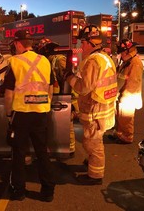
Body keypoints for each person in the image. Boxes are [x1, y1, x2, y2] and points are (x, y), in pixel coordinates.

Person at [3, 30, 55, 202]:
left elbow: (9, 94)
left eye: (14, 45)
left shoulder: (15, 62)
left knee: (18, 153)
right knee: (42, 153)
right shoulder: (45, 61)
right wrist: (45, 105)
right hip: (41, 114)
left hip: (21, 114)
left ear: (18, 44)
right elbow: (51, 87)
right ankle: (48, 192)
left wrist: (9, 114)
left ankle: (19, 192)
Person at [63, 24, 117, 185]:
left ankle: (95, 175)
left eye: (82, 43)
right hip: (105, 106)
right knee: (93, 140)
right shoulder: (105, 57)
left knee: (93, 142)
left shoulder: (93, 61)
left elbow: (84, 87)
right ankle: (92, 161)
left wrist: (69, 77)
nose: (81, 46)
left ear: (89, 43)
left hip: (96, 108)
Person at [37, 37, 76, 154]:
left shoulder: (58, 60)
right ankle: (67, 147)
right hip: (56, 96)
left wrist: (71, 100)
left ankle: (70, 148)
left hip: (60, 96)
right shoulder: (48, 60)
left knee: (66, 124)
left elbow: (68, 79)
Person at [110, 38, 143, 144]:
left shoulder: (135, 62)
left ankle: (127, 137)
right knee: (121, 117)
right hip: (123, 94)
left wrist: (123, 95)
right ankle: (120, 134)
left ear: (127, 51)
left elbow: (133, 82)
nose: (121, 55)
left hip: (129, 96)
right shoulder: (128, 61)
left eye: (122, 52)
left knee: (126, 118)